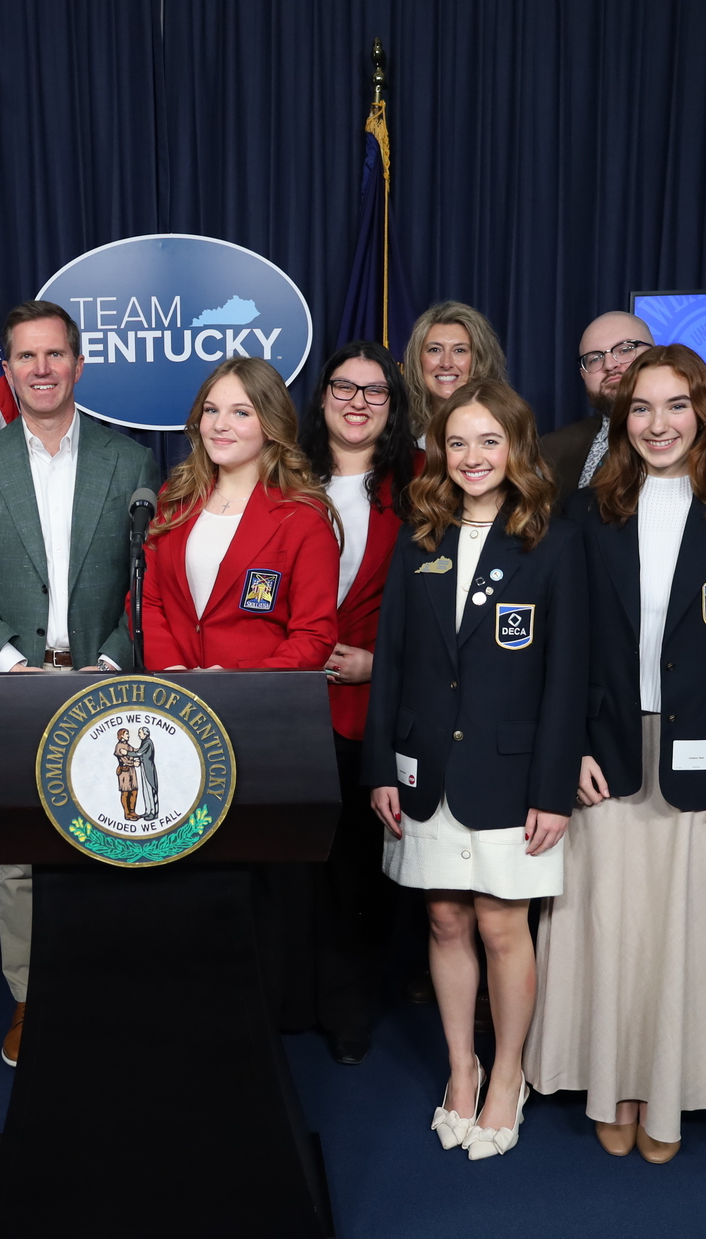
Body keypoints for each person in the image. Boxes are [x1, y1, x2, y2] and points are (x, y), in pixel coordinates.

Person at [523, 345, 706, 1163]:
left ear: (703, 411)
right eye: (641, 407)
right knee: (610, 929)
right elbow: (558, 649)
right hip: (605, 752)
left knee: (684, 933)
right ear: (619, 417)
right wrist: (562, 753)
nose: (658, 423)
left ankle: (666, 1091)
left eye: (675, 405)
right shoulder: (582, 512)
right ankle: (614, 1086)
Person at [364, 378, 585, 1162]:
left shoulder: (553, 540)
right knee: (445, 919)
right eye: (457, 442)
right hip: (425, 768)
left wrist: (553, 787)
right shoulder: (419, 535)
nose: (472, 456)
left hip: (513, 773)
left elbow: (569, 676)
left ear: (517, 447)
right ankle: (463, 1067)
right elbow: (391, 659)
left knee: (500, 924)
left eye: (489, 440)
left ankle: (508, 1075)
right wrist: (382, 767)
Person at [0, 300, 160, 1067]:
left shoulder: (129, 460)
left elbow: (147, 582)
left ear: (78, 364)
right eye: (26, 357)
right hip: (15, 684)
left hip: (107, 675)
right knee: (25, 854)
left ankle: (106, 984)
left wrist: (110, 660)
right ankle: (30, 1000)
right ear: (8, 368)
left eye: (55, 355)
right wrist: (5, 661)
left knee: (112, 834)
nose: (41, 369)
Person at [258, 340, 417, 1062]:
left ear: (393, 406)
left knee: (357, 868)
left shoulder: (420, 486)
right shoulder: (280, 479)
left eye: (374, 391)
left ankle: (349, 1009)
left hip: (368, 709)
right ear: (319, 399)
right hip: (284, 704)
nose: (357, 402)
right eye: (344, 388)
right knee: (288, 865)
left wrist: (379, 666)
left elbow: (444, 615)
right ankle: (289, 1000)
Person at [140, 357, 339, 673]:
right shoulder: (175, 499)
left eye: (241, 413)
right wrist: (172, 671)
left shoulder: (302, 517)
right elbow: (147, 602)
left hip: (256, 708)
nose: (220, 424)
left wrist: (239, 684)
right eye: (211, 410)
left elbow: (313, 636)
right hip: (174, 704)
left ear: (271, 426)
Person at [542, 311, 706, 503]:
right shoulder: (552, 449)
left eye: (624, 349)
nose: (610, 364)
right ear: (583, 374)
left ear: (655, 355)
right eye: (594, 358)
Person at [401, 302, 506, 432]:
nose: (446, 363)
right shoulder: (401, 437)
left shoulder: (507, 429)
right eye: (435, 350)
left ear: (481, 359)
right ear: (417, 360)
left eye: (459, 350)